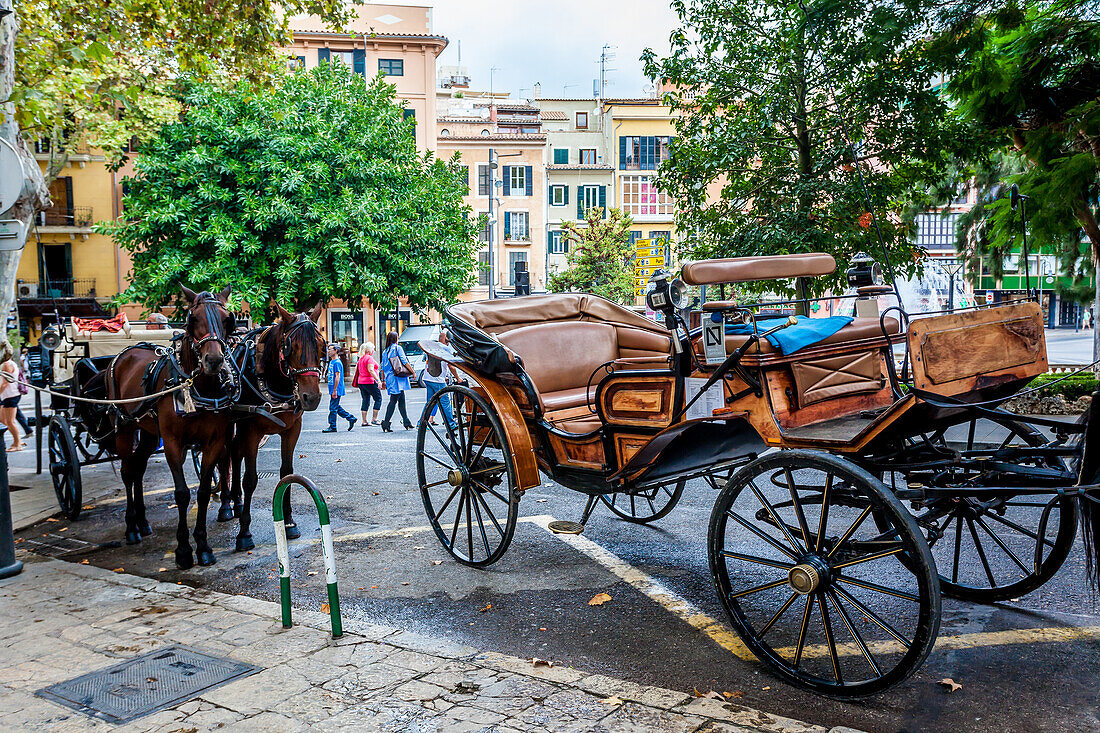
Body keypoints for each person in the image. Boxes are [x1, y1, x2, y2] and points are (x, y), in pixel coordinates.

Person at [420, 330, 455, 429]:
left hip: (427, 378)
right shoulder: (446, 349)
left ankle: (421, 423)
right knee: (445, 402)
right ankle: (451, 424)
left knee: (429, 402)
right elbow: (451, 366)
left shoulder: (431, 347)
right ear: (446, 339)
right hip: (438, 380)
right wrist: (458, 377)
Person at [380, 331, 413, 432]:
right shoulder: (398, 348)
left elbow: (382, 367)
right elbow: (404, 361)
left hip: (390, 378)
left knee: (401, 399)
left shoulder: (385, 351)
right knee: (394, 400)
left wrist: (383, 380)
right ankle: (386, 423)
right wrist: (412, 372)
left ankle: (406, 421)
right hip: (397, 377)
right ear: (396, 339)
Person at [322, 343, 356, 433]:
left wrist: (335, 390)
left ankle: (332, 426)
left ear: (336, 351)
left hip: (336, 389)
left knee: (333, 408)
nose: (328, 351)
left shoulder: (337, 362)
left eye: (330, 349)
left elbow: (337, 376)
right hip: (333, 388)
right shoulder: (332, 362)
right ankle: (351, 418)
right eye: (328, 349)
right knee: (335, 406)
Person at [352, 341, 382, 426]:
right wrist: (378, 380)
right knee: (378, 399)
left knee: (365, 400)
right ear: (369, 351)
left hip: (361, 382)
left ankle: (364, 421)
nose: (373, 351)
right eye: (373, 349)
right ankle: (374, 419)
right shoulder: (369, 358)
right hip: (370, 381)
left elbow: (356, 370)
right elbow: (371, 370)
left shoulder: (361, 359)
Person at [0, 357, 24, 451]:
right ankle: (17, 439)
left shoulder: (7, 364)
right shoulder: (7, 363)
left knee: (10, 421)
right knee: (3, 420)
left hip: (10, 395)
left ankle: (17, 444)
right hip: (7, 396)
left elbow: (5, 383)